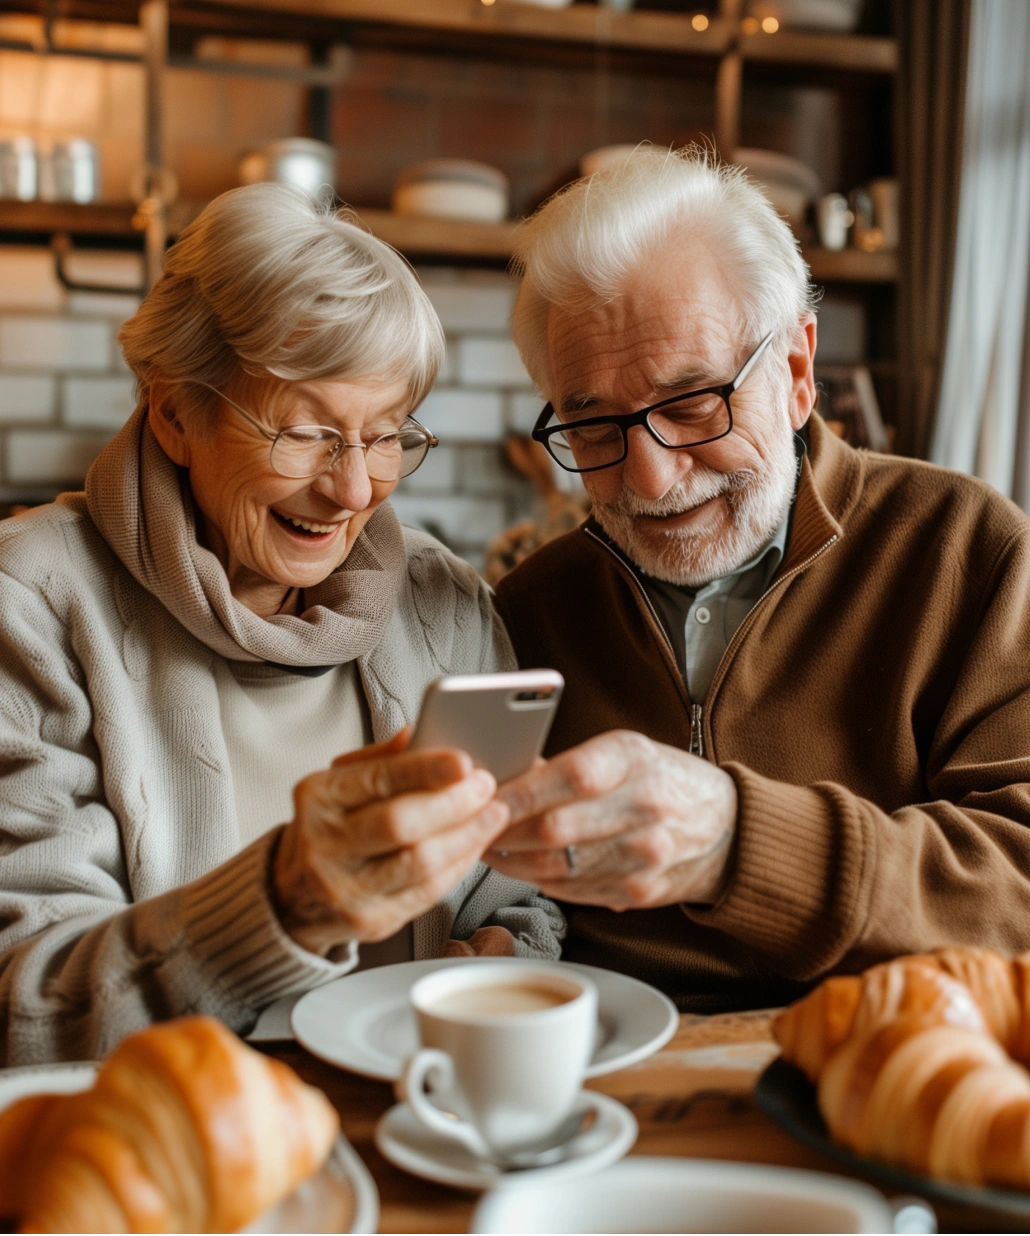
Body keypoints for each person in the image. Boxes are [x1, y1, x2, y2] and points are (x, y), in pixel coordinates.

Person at [0, 184, 563, 1065]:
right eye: (304, 434)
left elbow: (510, 893)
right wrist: (283, 903)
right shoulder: (30, 609)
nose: (352, 491)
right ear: (176, 413)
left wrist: (503, 955)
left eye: (384, 436)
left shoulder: (442, 602)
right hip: (172, 1152)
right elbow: (28, 1009)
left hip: (410, 1130)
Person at [490, 147, 1030, 1013]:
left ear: (797, 370)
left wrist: (737, 845)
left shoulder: (967, 550)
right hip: (604, 1082)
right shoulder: (529, 609)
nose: (651, 481)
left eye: (694, 402)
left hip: (884, 1058)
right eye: (594, 427)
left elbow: (1019, 887)